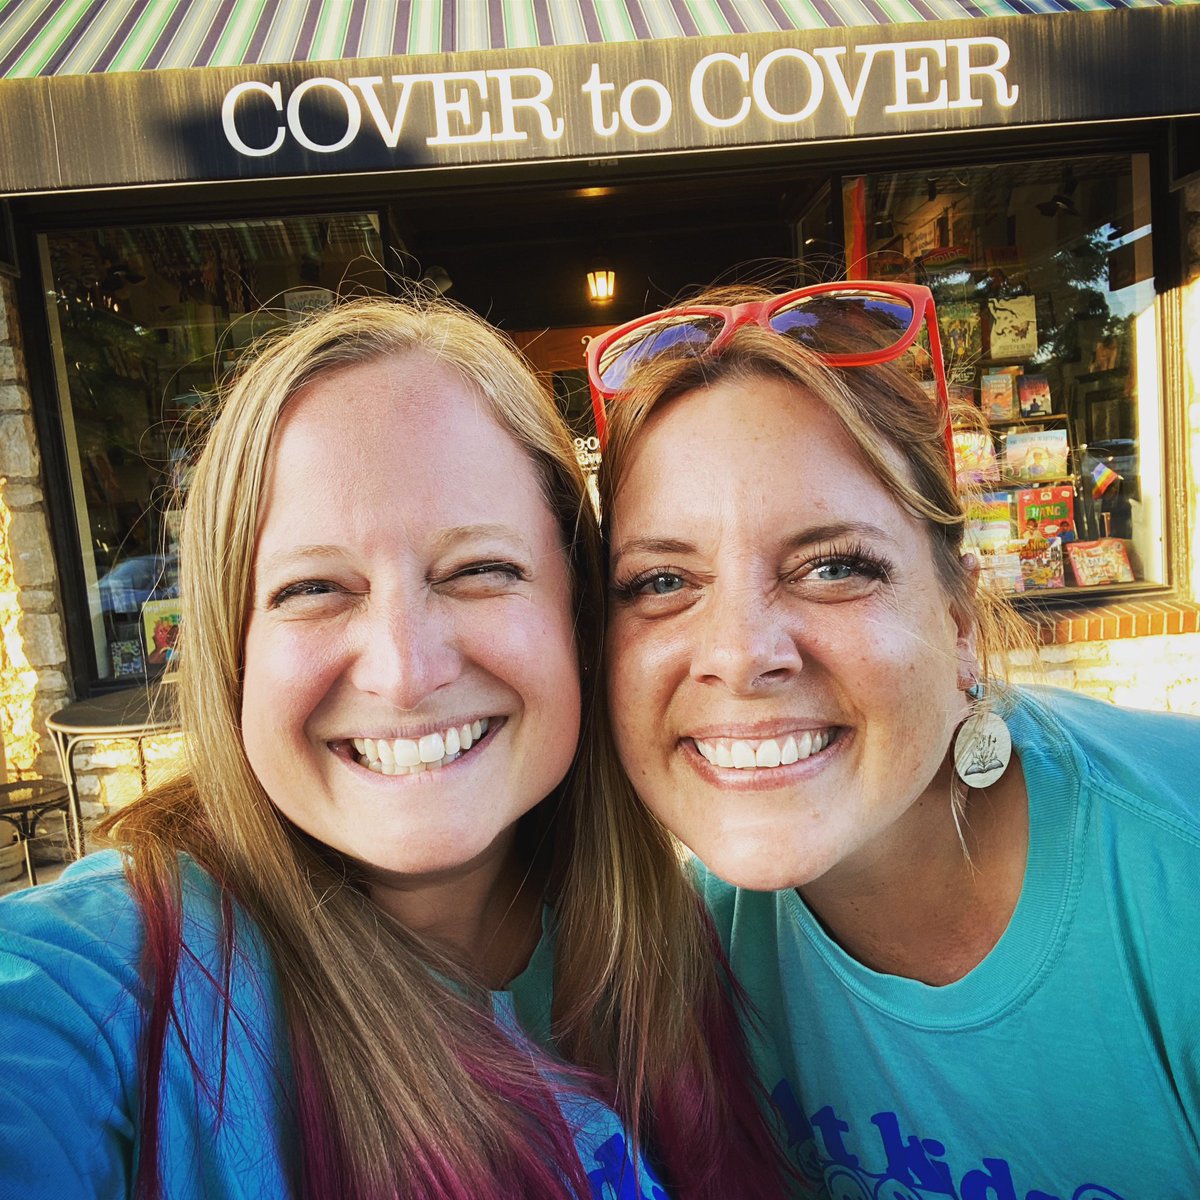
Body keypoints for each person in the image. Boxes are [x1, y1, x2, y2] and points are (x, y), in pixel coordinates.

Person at [0, 296, 790, 1200]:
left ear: (576, 615)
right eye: (315, 588)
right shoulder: (117, 983)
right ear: (234, 650)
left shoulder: (689, 934)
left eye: (479, 571)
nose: (406, 671)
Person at [589, 282, 1200, 1198]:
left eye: (834, 567)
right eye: (662, 580)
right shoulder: (679, 959)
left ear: (960, 620)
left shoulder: (1174, 880)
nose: (739, 655)